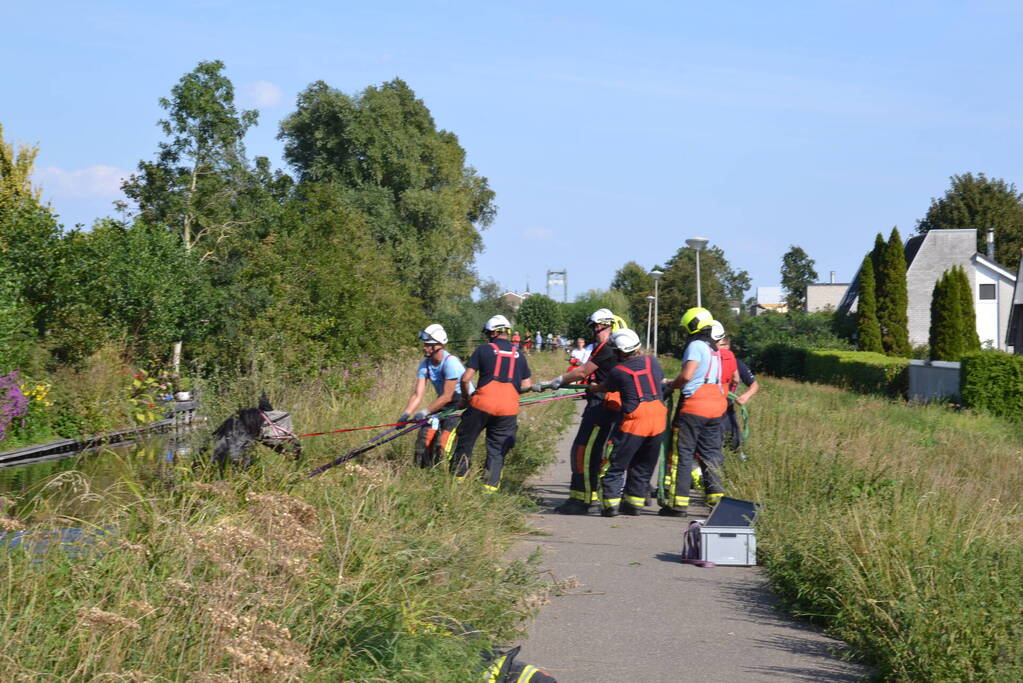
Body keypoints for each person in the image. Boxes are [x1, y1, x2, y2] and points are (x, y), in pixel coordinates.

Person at [540, 308, 624, 514]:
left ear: (605, 325)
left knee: (583, 451)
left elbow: (583, 371)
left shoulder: (607, 347)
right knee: (595, 452)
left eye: (596, 327)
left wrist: (559, 381)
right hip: (609, 405)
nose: (595, 331)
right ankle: (590, 495)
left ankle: (581, 500)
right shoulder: (618, 347)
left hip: (601, 406)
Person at [586, 328, 667, 517]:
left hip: (635, 422)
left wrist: (593, 388)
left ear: (620, 352)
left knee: (615, 464)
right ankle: (633, 504)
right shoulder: (652, 362)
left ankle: (611, 505)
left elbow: (604, 387)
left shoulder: (618, 371)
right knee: (643, 465)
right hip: (658, 419)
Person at [452, 315, 533, 492]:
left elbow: (466, 379)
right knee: (497, 449)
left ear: (494, 333)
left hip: (482, 403)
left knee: (466, 440)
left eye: (489, 333)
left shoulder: (483, 350)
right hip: (508, 409)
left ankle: (457, 481)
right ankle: (489, 489)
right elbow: (527, 385)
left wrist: (466, 399)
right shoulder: (519, 355)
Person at [661, 307, 728, 516]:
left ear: (693, 326)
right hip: (716, 407)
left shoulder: (696, 346)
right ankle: (715, 504)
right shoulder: (714, 349)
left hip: (694, 406)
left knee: (683, 454)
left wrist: (670, 385)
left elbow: (688, 376)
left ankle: (678, 504)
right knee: (711, 456)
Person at [398, 324, 469, 468]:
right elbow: (418, 394)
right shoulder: (425, 365)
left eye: (428, 344)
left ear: (438, 345)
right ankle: (422, 471)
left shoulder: (451, 363)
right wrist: (405, 415)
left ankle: (449, 472)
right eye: (425, 344)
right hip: (444, 404)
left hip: (462, 404)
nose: (424, 347)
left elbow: (447, 396)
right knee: (425, 435)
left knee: (443, 442)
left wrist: (425, 412)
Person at [717, 333, 759, 453]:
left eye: (723, 345)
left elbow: (754, 385)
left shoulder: (737, 363)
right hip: (711, 408)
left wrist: (745, 396)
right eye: (719, 345)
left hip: (728, 409)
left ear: (728, 346)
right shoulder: (711, 360)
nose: (721, 348)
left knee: (734, 443)